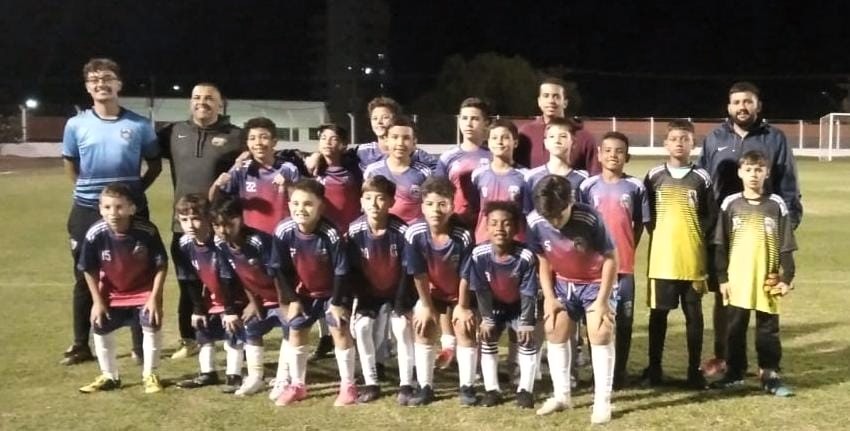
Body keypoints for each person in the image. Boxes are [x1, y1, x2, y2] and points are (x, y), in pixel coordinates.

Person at [698, 81, 803, 375]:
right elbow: (705, 182)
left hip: (763, 232)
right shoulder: (715, 138)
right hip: (724, 231)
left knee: (765, 291)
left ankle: (767, 365)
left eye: (747, 102)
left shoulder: (774, 138)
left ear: (758, 105)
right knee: (725, 294)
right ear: (728, 106)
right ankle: (725, 357)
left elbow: (788, 185)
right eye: (736, 102)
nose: (741, 107)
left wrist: (786, 227)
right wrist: (707, 228)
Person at [61, 58, 161, 365]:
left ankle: (139, 344)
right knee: (84, 273)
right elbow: (70, 163)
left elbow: (155, 164)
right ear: (87, 86)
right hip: (87, 210)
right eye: (93, 79)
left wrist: (133, 195)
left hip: (132, 210)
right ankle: (81, 344)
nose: (100, 83)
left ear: (119, 84)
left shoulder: (139, 125)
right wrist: (88, 194)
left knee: (137, 273)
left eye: (106, 78)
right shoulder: (76, 124)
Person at [158, 82, 244, 360]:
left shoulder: (236, 136)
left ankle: (237, 334)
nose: (202, 102)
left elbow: (256, 156)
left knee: (229, 280)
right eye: (196, 97)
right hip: (182, 224)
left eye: (209, 98)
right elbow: (144, 153)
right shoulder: (174, 132)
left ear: (221, 104)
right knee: (188, 282)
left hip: (220, 226)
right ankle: (189, 338)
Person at [526, 175, 617, 424]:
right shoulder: (535, 221)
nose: (554, 222)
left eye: (559, 214)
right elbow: (543, 260)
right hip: (564, 283)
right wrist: (549, 296)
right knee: (553, 329)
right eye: (549, 217)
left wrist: (602, 301)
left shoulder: (590, 218)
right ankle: (562, 396)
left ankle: (602, 402)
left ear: (571, 201)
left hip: (595, 283)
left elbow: (611, 258)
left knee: (600, 332)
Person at [711, 151, 797, 396]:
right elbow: (720, 244)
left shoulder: (776, 204)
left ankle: (770, 375)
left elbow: (786, 245)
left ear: (767, 173)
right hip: (738, 279)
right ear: (740, 172)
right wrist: (722, 278)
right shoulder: (730, 204)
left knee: (768, 329)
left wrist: (786, 277)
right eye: (748, 169)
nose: (753, 175)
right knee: (734, 329)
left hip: (766, 280)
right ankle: (734, 374)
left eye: (759, 170)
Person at [269, 179, 357, 407]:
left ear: (321, 207)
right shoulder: (283, 230)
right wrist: (293, 300)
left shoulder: (331, 233)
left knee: (339, 328)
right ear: (289, 206)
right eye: (296, 203)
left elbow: (342, 270)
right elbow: (278, 269)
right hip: (303, 293)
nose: (301, 209)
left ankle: (348, 385)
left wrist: (337, 302)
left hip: (333, 293)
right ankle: (298, 385)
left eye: (308, 204)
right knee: (296, 330)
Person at [642, 120, 715, 389]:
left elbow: (710, 217)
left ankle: (694, 370)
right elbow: (646, 215)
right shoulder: (653, 176)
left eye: (685, 138)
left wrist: (696, 240)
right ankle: (655, 367)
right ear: (665, 144)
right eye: (674, 138)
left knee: (693, 315)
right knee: (658, 315)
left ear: (693, 144)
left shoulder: (702, 178)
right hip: (662, 259)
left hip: (692, 258)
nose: (679, 143)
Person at [76, 184, 167, 394]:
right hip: (112, 293)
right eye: (107, 207)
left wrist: (154, 298)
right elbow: (88, 269)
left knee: (151, 322)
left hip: (143, 291)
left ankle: (150, 374)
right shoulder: (94, 234)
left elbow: (161, 265)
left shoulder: (147, 231)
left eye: (119, 207)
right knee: (99, 324)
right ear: (100, 209)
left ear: (132, 209)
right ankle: (110, 376)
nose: (113, 213)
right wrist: (97, 302)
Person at [578, 131, 649, 388]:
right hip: (594, 269)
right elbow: (581, 224)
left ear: (627, 156)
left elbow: (639, 224)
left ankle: (619, 373)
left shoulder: (636, 186)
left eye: (619, 151)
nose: (613, 155)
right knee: (596, 319)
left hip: (624, 266)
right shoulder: (587, 186)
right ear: (599, 154)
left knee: (625, 321)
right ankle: (599, 374)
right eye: (607, 150)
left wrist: (627, 247)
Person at [209, 197, 292, 399]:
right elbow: (240, 275)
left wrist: (284, 305)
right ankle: (255, 376)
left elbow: (279, 274)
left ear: (240, 219)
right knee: (250, 326)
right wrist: (254, 303)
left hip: (285, 296)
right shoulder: (220, 244)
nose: (222, 230)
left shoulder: (259, 242)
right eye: (217, 225)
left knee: (292, 328)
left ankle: (283, 379)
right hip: (262, 299)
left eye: (228, 224)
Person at [405, 177, 475, 406]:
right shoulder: (414, 234)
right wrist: (426, 306)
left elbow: (466, 274)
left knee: (465, 329)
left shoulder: (463, 235)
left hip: (459, 294)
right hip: (431, 294)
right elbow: (419, 274)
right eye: (431, 204)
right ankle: (425, 386)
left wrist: (463, 307)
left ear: (452, 205)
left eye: (443, 203)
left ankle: (467, 387)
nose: (437, 210)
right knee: (423, 326)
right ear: (422, 206)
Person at [347, 175, 416, 404]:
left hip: (398, 291)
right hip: (370, 293)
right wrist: (363, 300)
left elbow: (407, 269)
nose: (374, 205)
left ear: (391, 202)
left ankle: (407, 383)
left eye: (380, 199)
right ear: (361, 201)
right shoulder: (355, 231)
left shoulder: (401, 230)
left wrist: (400, 303)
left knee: (401, 327)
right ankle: (371, 382)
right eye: (368, 198)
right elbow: (353, 270)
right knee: (364, 327)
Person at [172, 195, 246, 394]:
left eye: (196, 218)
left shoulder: (220, 243)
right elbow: (190, 279)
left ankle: (234, 375)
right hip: (212, 296)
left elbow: (229, 278)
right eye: (184, 219)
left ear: (208, 220)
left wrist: (230, 309)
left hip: (235, 296)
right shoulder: (185, 244)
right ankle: (208, 373)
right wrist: (198, 308)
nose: (191, 225)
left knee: (233, 331)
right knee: (202, 329)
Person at [468, 201, 539, 408]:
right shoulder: (479, 255)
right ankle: (492, 389)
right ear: (486, 227)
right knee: (487, 337)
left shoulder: (525, 256)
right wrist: (487, 319)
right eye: (494, 223)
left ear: (516, 228)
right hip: (495, 306)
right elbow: (481, 289)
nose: (500, 228)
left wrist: (526, 322)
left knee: (526, 340)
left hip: (519, 306)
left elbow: (529, 292)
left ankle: (525, 390)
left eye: (506, 223)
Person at [210, 117, 301, 235]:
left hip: (282, 238)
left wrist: (288, 186)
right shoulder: (241, 169)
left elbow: (300, 202)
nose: (258, 143)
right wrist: (217, 184)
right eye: (252, 138)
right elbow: (214, 200)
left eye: (264, 137)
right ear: (247, 143)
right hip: (251, 238)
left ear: (274, 141)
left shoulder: (288, 169)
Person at [517, 77, 600, 173]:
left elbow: (595, 176)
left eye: (556, 96)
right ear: (539, 101)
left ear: (565, 103)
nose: (551, 101)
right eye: (546, 96)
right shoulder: (525, 133)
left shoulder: (584, 137)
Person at [435, 97, 493, 228]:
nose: (469, 123)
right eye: (464, 118)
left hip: (486, 227)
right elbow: (439, 193)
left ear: (486, 123)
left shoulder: (494, 156)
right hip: (456, 225)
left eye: (475, 119)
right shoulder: (447, 157)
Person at [363, 115, 432, 223]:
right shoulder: (372, 171)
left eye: (406, 138)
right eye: (395, 137)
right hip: (385, 233)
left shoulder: (424, 173)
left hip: (411, 234)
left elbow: (429, 207)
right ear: (386, 140)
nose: (400, 143)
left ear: (414, 142)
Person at [471, 119, 528, 243]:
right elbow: (474, 208)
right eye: (494, 138)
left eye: (505, 137)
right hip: (484, 241)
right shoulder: (478, 174)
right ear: (489, 142)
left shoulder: (526, 176)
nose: (499, 142)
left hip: (516, 242)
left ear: (516, 142)